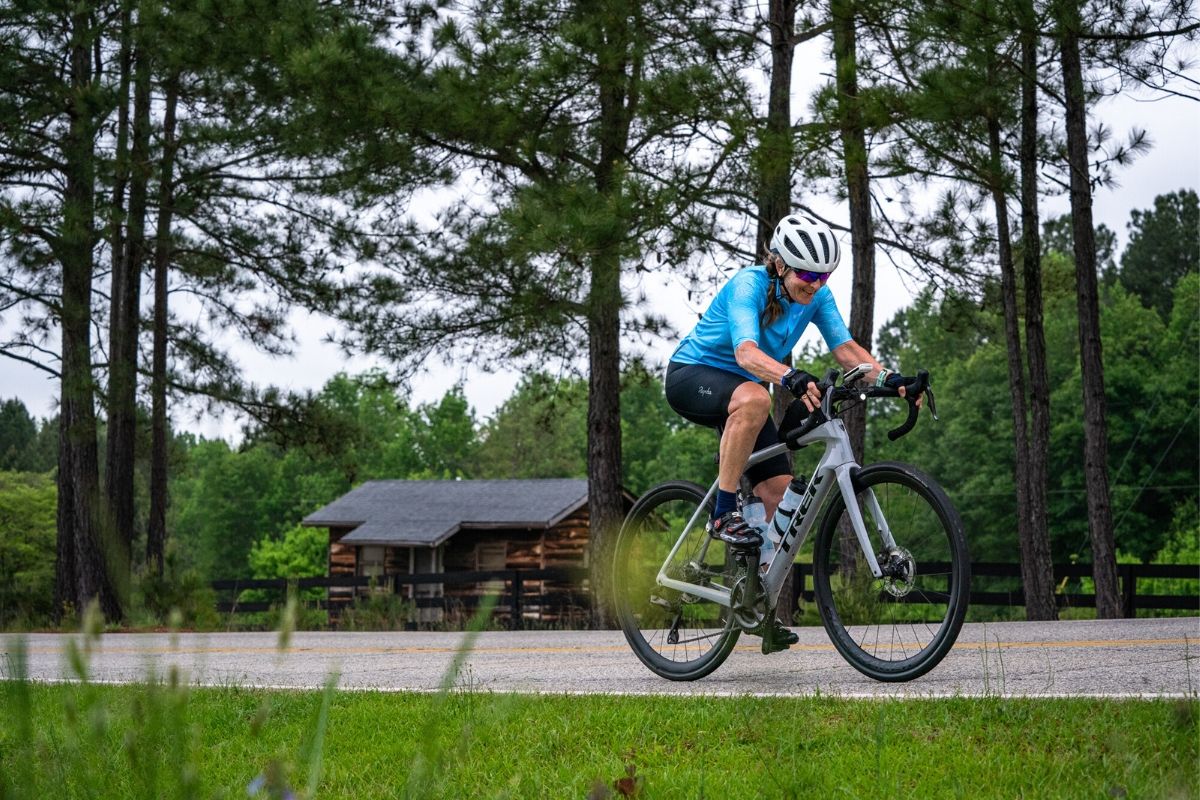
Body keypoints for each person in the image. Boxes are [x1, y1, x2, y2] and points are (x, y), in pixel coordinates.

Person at [664, 213, 920, 649]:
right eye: (805, 273)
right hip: (694, 375)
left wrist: (891, 379)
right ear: (780, 265)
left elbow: (846, 350)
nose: (815, 284)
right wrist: (790, 377)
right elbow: (746, 353)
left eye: (823, 276)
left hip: (750, 392)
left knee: (781, 496)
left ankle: (754, 605)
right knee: (756, 398)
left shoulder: (816, 297)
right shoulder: (749, 285)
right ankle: (723, 511)